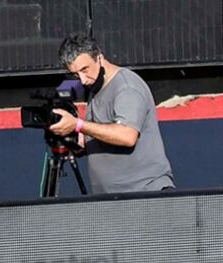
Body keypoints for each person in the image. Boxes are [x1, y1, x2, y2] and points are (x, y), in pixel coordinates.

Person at [48, 33, 175, 194]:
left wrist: (78, 124)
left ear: (99, 58)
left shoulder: (127, 87)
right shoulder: (95, 87)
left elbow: (127, 136)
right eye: (75, 74)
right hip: (112, 200)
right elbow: (100, 133)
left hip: (144, 194)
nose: (82, 80)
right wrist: (76, 140)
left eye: (84, 69)